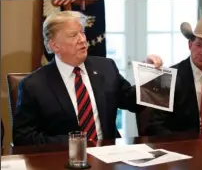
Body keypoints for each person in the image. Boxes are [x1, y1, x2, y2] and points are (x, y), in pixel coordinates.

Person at [13, 11, 162, 146]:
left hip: (108, 155)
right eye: (73, 35)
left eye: (82, 33)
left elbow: (133, 101)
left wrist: (150, 74)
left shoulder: (106, 67)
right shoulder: (33, 85)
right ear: (54, 46)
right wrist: (73, 142)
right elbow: (23, 137)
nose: (82, 40)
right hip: (62, 159)